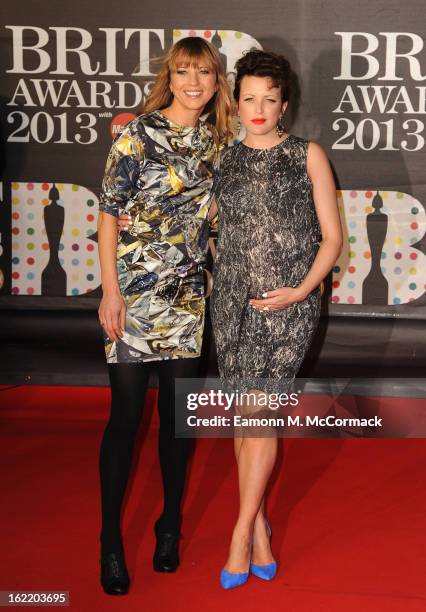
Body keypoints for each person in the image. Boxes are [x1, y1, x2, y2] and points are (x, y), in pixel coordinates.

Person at [97, 36, 233, 595]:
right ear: (169, 77)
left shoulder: (221, 141)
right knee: (126, 418)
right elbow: (108, 214)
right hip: (131, 294)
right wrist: (110, 292)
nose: (193, 83)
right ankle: (109, 541)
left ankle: (169, 525)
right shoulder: (135, 133)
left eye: (203, 73)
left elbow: (226, 214)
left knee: (178, 423)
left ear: (215, 79)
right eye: (183, 72)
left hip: (187, 297)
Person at [209, 50, 343, 589]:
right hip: (232, 305)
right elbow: (204, 226)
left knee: (260, 414)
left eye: (269, 99)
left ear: (285, 103)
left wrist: (300, 292)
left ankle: (239, 533)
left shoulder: (308, 154)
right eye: (249, 99)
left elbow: (332, 239)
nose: (258, 109)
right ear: (236, 103)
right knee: (246, 418)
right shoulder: (222, 159)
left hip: (291, 305)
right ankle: (261, 525)